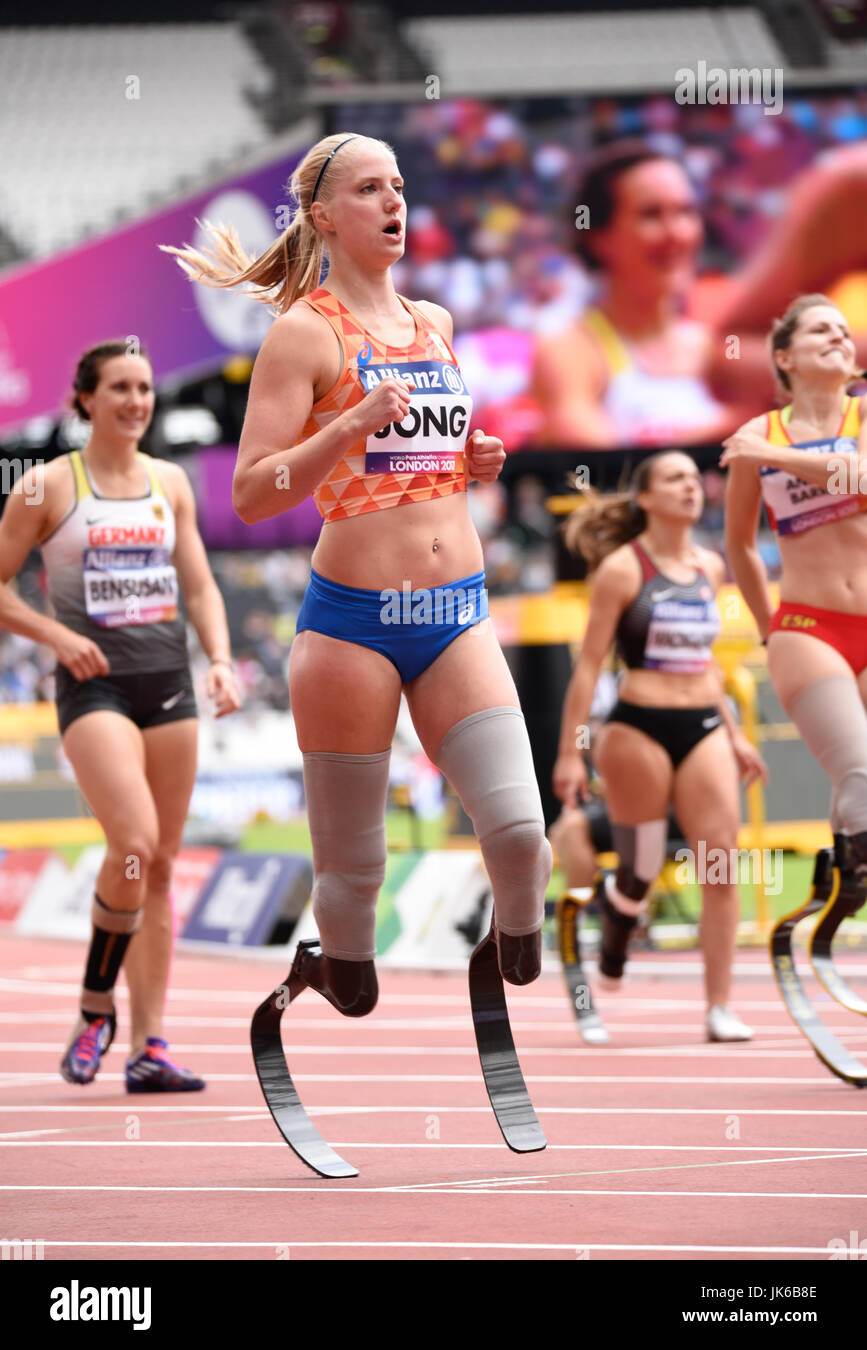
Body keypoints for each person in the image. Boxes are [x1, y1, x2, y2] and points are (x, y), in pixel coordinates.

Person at [160, 131, 552, 1009]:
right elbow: (257, 493)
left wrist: (471, 460)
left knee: (522, 833)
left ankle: (513, 939)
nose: (393, 203)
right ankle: (331, 963)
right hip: (353, 626)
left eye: (399, 186)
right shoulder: (302, 337)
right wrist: (348, 422)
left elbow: (418, 466)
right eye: (370, 189)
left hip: (454, 614)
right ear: (323, 215)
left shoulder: (435, 325)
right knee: (353, 874)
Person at [0, 341, 242, 1090]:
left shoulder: (171, 482)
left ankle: (149, 1045)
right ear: (85, 400)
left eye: (144, 388)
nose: (136, 401)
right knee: (132, 842)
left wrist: (222, 660)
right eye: (119, 389)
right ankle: (94, 1006)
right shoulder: (45, 489)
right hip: (93, 687)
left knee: (161, 866)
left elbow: (198, 585)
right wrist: (60, 635)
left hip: (167, 683)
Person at [551, 451, 767, 1041]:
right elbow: (589, 668)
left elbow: (708, 665)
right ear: (646, 497)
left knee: (719, 862)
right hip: (637, 728)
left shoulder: (710, 566)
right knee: (641, 866)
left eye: (696, 479)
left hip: (702, 726)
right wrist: (572, 752)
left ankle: (719, 1006)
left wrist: (735, 732)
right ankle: (618, 926)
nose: (691, 488)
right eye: (675, 479)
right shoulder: (623, 569)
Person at [722, 294, 867, 906]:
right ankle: (854, 867)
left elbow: (858, 479)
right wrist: (769, 628)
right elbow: (739, 545)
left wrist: (772, 459)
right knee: (858, 770)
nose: (839, 336)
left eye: (844, 329)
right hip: (809, 628)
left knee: (859, 787)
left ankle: (843, 866)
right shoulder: (759, 433)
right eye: (820, 330)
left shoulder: (855, 419)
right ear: (784, 355)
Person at [531, 142, 734, 449]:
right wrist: (746, 425)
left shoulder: (717, 347)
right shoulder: (567, 352)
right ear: (599, 237)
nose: (676, 232)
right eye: (651, 215)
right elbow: (606, 460)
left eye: (686, 212)